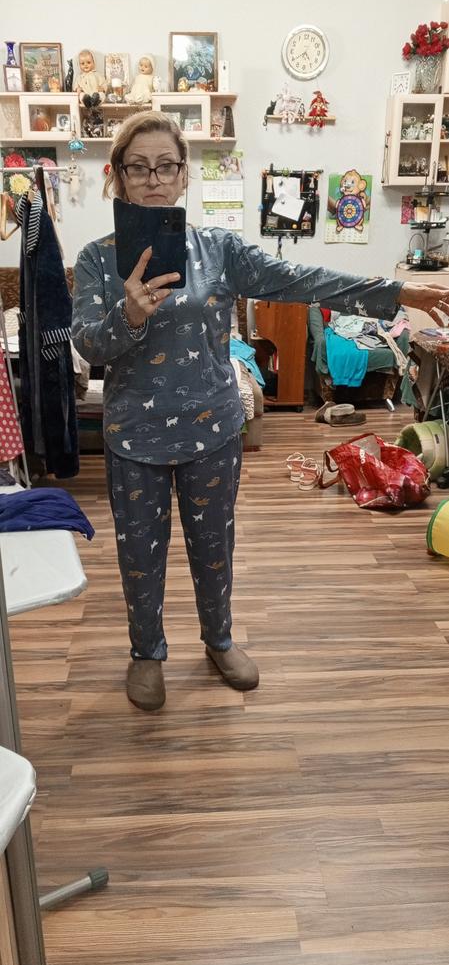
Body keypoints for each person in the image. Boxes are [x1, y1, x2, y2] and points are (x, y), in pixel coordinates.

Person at [72, 110, 449, 713]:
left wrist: (396, 291)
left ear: (184, 175)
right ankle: (146, 652)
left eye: (166, 166)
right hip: (133, 435)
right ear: (117, 176)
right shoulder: (97, 259)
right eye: (137, 167)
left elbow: (302, 279)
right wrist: (129, 315)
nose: (153, 179)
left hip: (214, 427)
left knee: (213, 543)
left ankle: (218, 640)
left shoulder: (217, 250)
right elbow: (89, 345)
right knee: (139, 554)